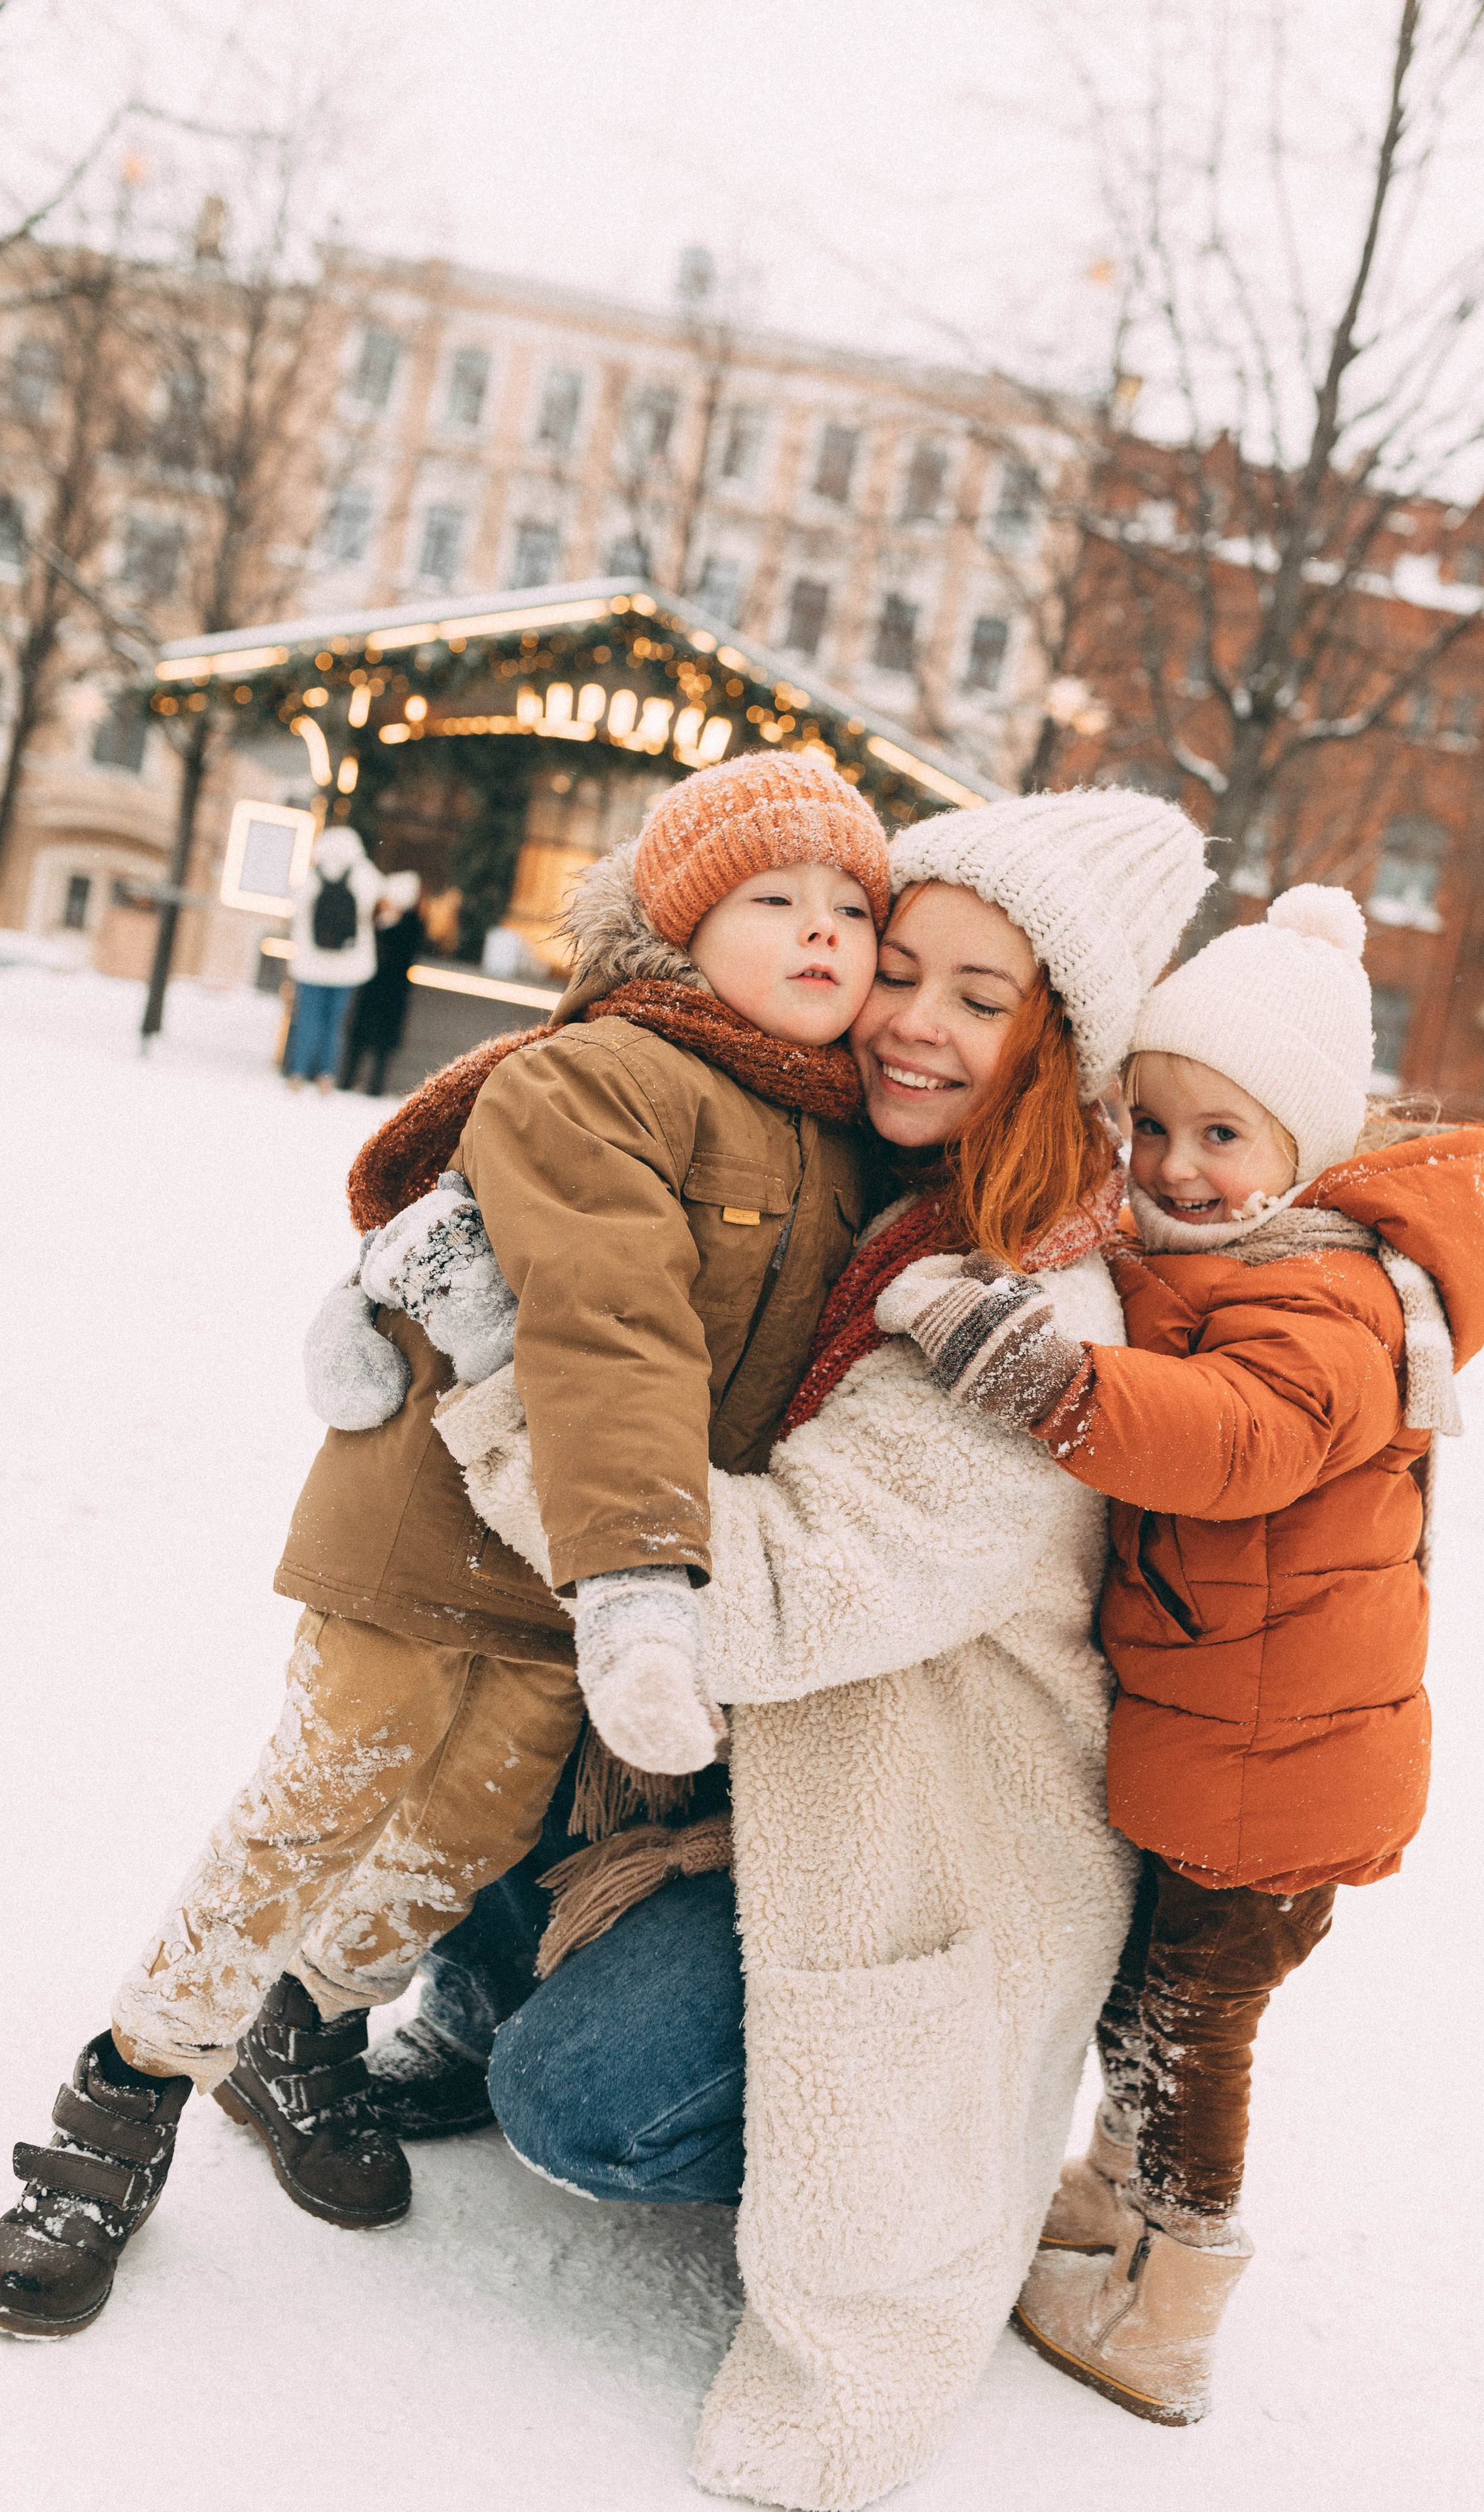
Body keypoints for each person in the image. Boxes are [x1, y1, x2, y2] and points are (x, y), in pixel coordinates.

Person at [372, 786, 1215, 2509]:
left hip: (932, 1857)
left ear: (1065, 1049)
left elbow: (760, 1593)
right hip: (781, 1783)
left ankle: (767, 2090)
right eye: (903, 968)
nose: (911, 1020)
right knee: (479, 1715)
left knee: (579, 2102)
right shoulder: (865, 1198)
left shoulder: (1031, 1310)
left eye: (984, 1002)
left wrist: (504, 1391)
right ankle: (537, 1937)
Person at [0, 751, 891, 2341]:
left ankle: (305, 2020)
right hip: (437, 1529)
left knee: (471, 1828)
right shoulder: (604, 1075)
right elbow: (608, 1325)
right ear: (684, 930)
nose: (823, 929)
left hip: (574, 1582)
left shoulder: (840, 1136)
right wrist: (638, 1579)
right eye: (775, 899)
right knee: (322, 1794)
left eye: (850, 903)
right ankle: (124, 2095)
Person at [888, 885, 1484, 2428]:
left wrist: (1028, 1366)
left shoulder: (1325, 1301)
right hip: (1236, 1735)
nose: (1173, 1166)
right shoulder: (1243, 1253)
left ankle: (1167, 2303)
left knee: (1188, 2029)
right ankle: (1111, 2195)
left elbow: (1227, 1444)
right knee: (1146, 2008)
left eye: (1219, 1136)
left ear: (1303, 1145)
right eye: (1149, 1126)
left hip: (1274, 1767)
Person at [281, 819, 386, 1090]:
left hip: (311, 962)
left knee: (308, 1018)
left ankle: (298, 1073)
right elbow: (380, 907)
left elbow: (295, 909)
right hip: (348, 965)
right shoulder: (364, 874)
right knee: (335, 1023)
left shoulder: (313, 875)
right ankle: (327, 1075)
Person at [338, 869, 426, 1095]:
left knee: (380, 1042)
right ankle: (350, 1079)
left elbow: (399, 956)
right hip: (379, 988)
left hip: (389, 989)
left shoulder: (408, 924)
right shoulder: (382, 921)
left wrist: (388, 929)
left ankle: (373, 1085)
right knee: (362, 1037)